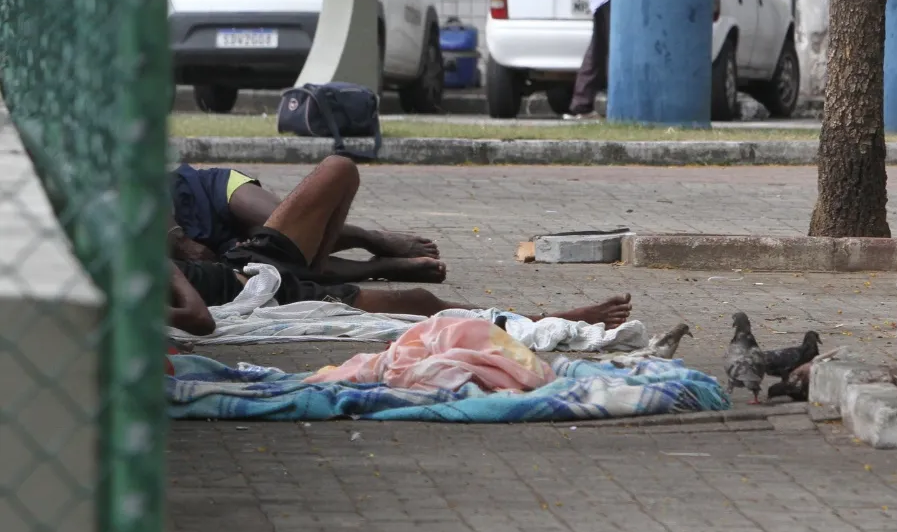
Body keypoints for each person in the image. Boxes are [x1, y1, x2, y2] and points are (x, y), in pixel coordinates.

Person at [168, 156, 633, 336]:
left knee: (338, 168)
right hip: (268, 295)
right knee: (419, 302)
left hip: (247, 263)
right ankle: (558, 319)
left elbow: (191, 310)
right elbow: (200, 319)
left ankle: (335, 260)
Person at [168, 163, 444, 283]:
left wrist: (179, 238)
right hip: (213, 252)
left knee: (278, 224)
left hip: (200, 192)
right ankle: (378, 268)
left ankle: (369, 238)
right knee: (284, 262)